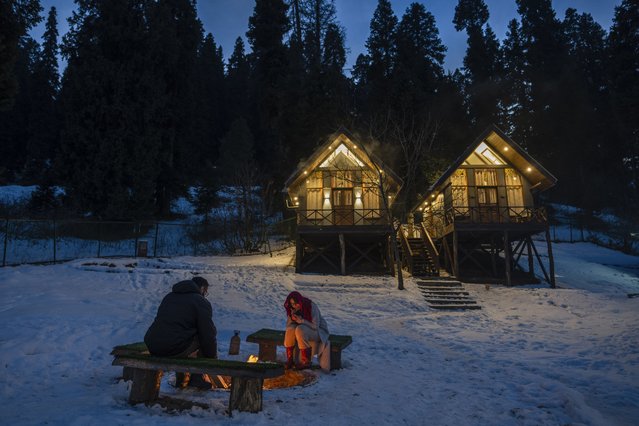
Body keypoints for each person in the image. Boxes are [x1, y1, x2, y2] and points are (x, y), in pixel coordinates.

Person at [144, 276, 217, 389]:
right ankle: (197, 379)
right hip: (173, 347)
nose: (205, 294)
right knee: (201, 337)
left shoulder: (169, 297)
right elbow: (208, 333)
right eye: (206, 291)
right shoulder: (200, 301)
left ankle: (181, 380)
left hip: (153, 345)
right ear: (202, 288)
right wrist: (211, 359)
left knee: (181, 336)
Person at [283, 291, 330, 370]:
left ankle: (306, 361)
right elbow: (289, 326)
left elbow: (316, 326)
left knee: (300, 329)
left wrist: (301, 321)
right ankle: (290, 359)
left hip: (319, 331)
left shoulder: (311, 306)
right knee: (290, 330)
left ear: (300, 301)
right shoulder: (292, 309)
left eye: (296, 303)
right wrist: (292, 319)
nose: (295, 306)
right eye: (292, 304)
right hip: (304, 329)